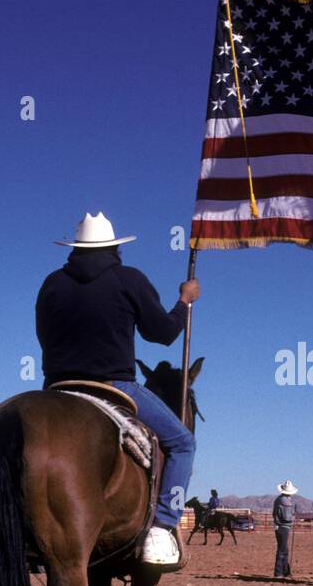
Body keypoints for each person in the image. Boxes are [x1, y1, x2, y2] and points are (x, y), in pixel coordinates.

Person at [35, 211, 200, 566]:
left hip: (57, 388)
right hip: (114, 385)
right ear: (115, 248)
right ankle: (162, 528)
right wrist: (184, 302)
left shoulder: (51, 283)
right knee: (182, 443)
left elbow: (43, 336)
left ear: (75, 248)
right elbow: (164, 334)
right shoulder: (128, 279)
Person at [272, 480, 298, 579]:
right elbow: (287, 517)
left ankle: (284, 571)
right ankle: (279, 572)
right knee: (282, 550)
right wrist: (293, 517)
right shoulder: (286, 501)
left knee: (283, 549)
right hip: (284, 527)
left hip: (278, 526)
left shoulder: (278, 499)